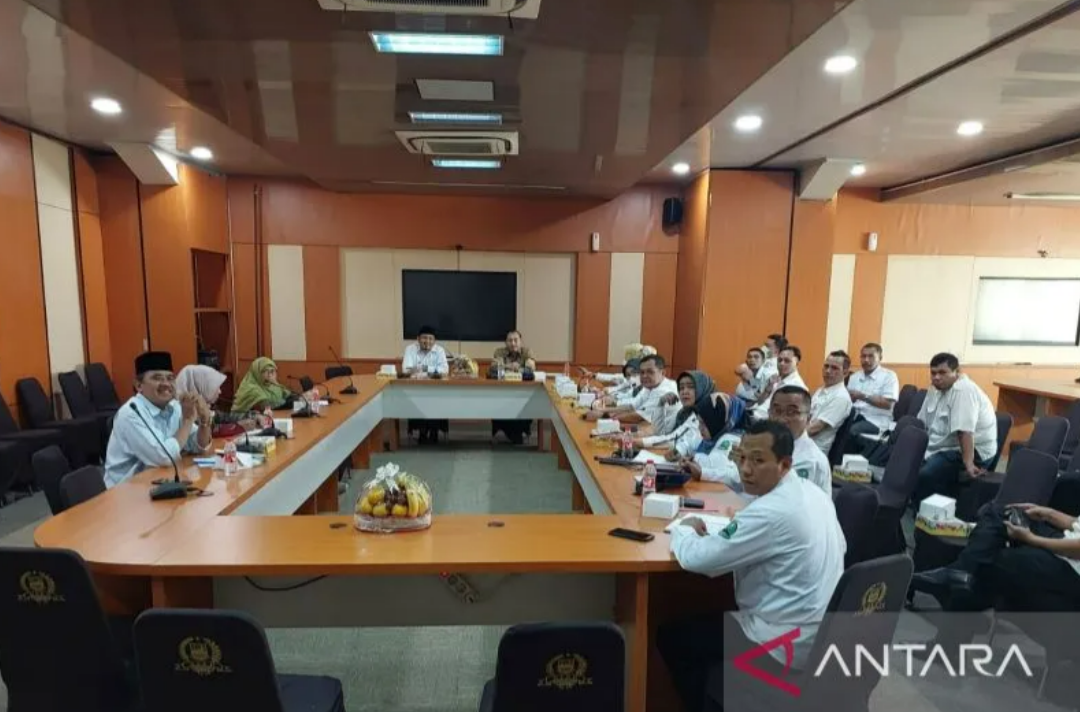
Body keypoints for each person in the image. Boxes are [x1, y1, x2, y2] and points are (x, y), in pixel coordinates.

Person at [657, 420, 845, 712]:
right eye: (741, 458)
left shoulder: (772, 511)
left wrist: (685, 528)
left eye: (758, 461)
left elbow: (700, 560)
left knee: (674, 637)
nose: (745, 469)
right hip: (820, 634)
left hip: (780, 642)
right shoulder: (813, 492)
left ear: (784, 464)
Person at [911, 502, 1080, 612]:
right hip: (1068, 543)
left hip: (1073, 570)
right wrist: (1049, 513)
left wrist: (1032, 539)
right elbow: (1076, 523)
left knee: (992, 560)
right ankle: (960, 571)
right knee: (1001, 512)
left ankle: (957, 576)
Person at [103, 352, 213, 489]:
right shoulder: (131, 413)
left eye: (170, 378)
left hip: (159, 483)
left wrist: (205, 420)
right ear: (139, 385)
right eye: (157, 378)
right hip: (125, 492)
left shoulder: (174, 406)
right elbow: (164, 457)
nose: (166, 384)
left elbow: (197, 446)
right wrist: (188, 420)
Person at [912, 353, 997, 505]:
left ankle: (925, 515)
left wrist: (969, 465)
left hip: (971, 450)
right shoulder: (935, 389)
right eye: (933, 373)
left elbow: (964, 432)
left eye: (942, 373)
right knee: (906, 461)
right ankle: (918, 505)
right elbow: (921, 422)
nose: (937, 377)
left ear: (957, 372)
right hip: (943, 446)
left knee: (926, 474)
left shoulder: (963, 390)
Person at [770, 385, 833, 494]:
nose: (781, 419)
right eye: (777, 411)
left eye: (791, 412)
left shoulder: (813, 461)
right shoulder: (761, 445)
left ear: (808, 418)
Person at [584, 354, 677, 426]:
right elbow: (632, 406)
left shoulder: (664, 390)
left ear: (663, 373)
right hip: (651, 429)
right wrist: (603, 410)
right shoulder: (650, 386)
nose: (644, 376)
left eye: (650, 372)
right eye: (642, 372)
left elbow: (638, 416)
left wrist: (605, 415)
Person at [638, 370, 714, 457]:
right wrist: (660, 404)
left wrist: (638, 442)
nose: (685, 391)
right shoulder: (684, 412)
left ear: (702, 388)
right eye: (681, 388)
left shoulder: (707, 414)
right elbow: (661, 432)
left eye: (691, 387)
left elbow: (672, 440)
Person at [175, 365, 269, 431]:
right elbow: (210, 431)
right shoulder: (183, 410)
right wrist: (238, 427)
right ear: (201, 386)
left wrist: (254, 416)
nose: (220, 391)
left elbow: (226, 417)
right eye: (215, 387)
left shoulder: (205, 407)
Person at [844, 343, 900, 453]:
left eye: (871, 356)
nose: (866, 360)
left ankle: (848, 464)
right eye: (863, 356)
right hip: (854, 416)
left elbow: (888, 404)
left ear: (880, 358)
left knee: (850, 431)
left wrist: (862, 396)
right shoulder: (854, 377)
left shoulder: (889, 376)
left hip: (875, 420)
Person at [680, 392, 745, 486]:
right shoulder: (711, 437)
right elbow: (690, 441)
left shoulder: (732, 438)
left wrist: (693, 458)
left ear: (715, 423)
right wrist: (681, 449)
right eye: (699, 422)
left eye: (703, 424)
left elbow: (717, 462)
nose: (699, 428)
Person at [403, 326, 450, 443]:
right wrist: (433, 371)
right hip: (415, 391)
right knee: (419, 400)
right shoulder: (410, 349)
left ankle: (434, 431)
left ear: (434, 341)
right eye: (424, 338)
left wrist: (422, 368)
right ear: (418, 339)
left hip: (436, 391)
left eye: (430, 339)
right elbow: (406, 370)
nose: (427, 341)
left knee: (435, 401)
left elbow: (444, 370)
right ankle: (422, 431)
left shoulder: (439, 350)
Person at [491, 331, 536, 444]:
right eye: (510, 340)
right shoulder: (499, 352)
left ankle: (518, 432)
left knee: (524, 405)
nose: (513, 343)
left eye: (516, 340)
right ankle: (511, 432)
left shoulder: (527, 351)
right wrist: (510, 366)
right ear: (506, 343)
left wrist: (514, 369)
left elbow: (531, 368)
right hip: (503, 393)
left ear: (520, 341)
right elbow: (494, 367)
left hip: (523, 392)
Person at [808, 351, 853, 455]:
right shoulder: (822, 390)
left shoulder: (841, 397)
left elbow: (815, 428)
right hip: (805, 442)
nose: (828, 371)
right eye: (826, 366)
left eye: (834, 368)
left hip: (814, 450)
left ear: (845, 373)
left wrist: (789, 439)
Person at [749, 345, 806, 422]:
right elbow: (759, 402)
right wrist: (768, 388)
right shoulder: (777, 379)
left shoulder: (796, 386)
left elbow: (782, 417)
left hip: (763, 423)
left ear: (797, 363)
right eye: (779, 360)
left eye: (787, 361)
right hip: (753, 414)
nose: (782, 364)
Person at [232, 357, 297, 413]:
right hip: (244, 422)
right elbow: (268, 405)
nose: (270, 375)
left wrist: (277, 384)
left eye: (272, 371)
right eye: (265, 371)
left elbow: (288, 396)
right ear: (257, 373)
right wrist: (292, 402)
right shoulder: (251, 388)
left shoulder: (272, 386)